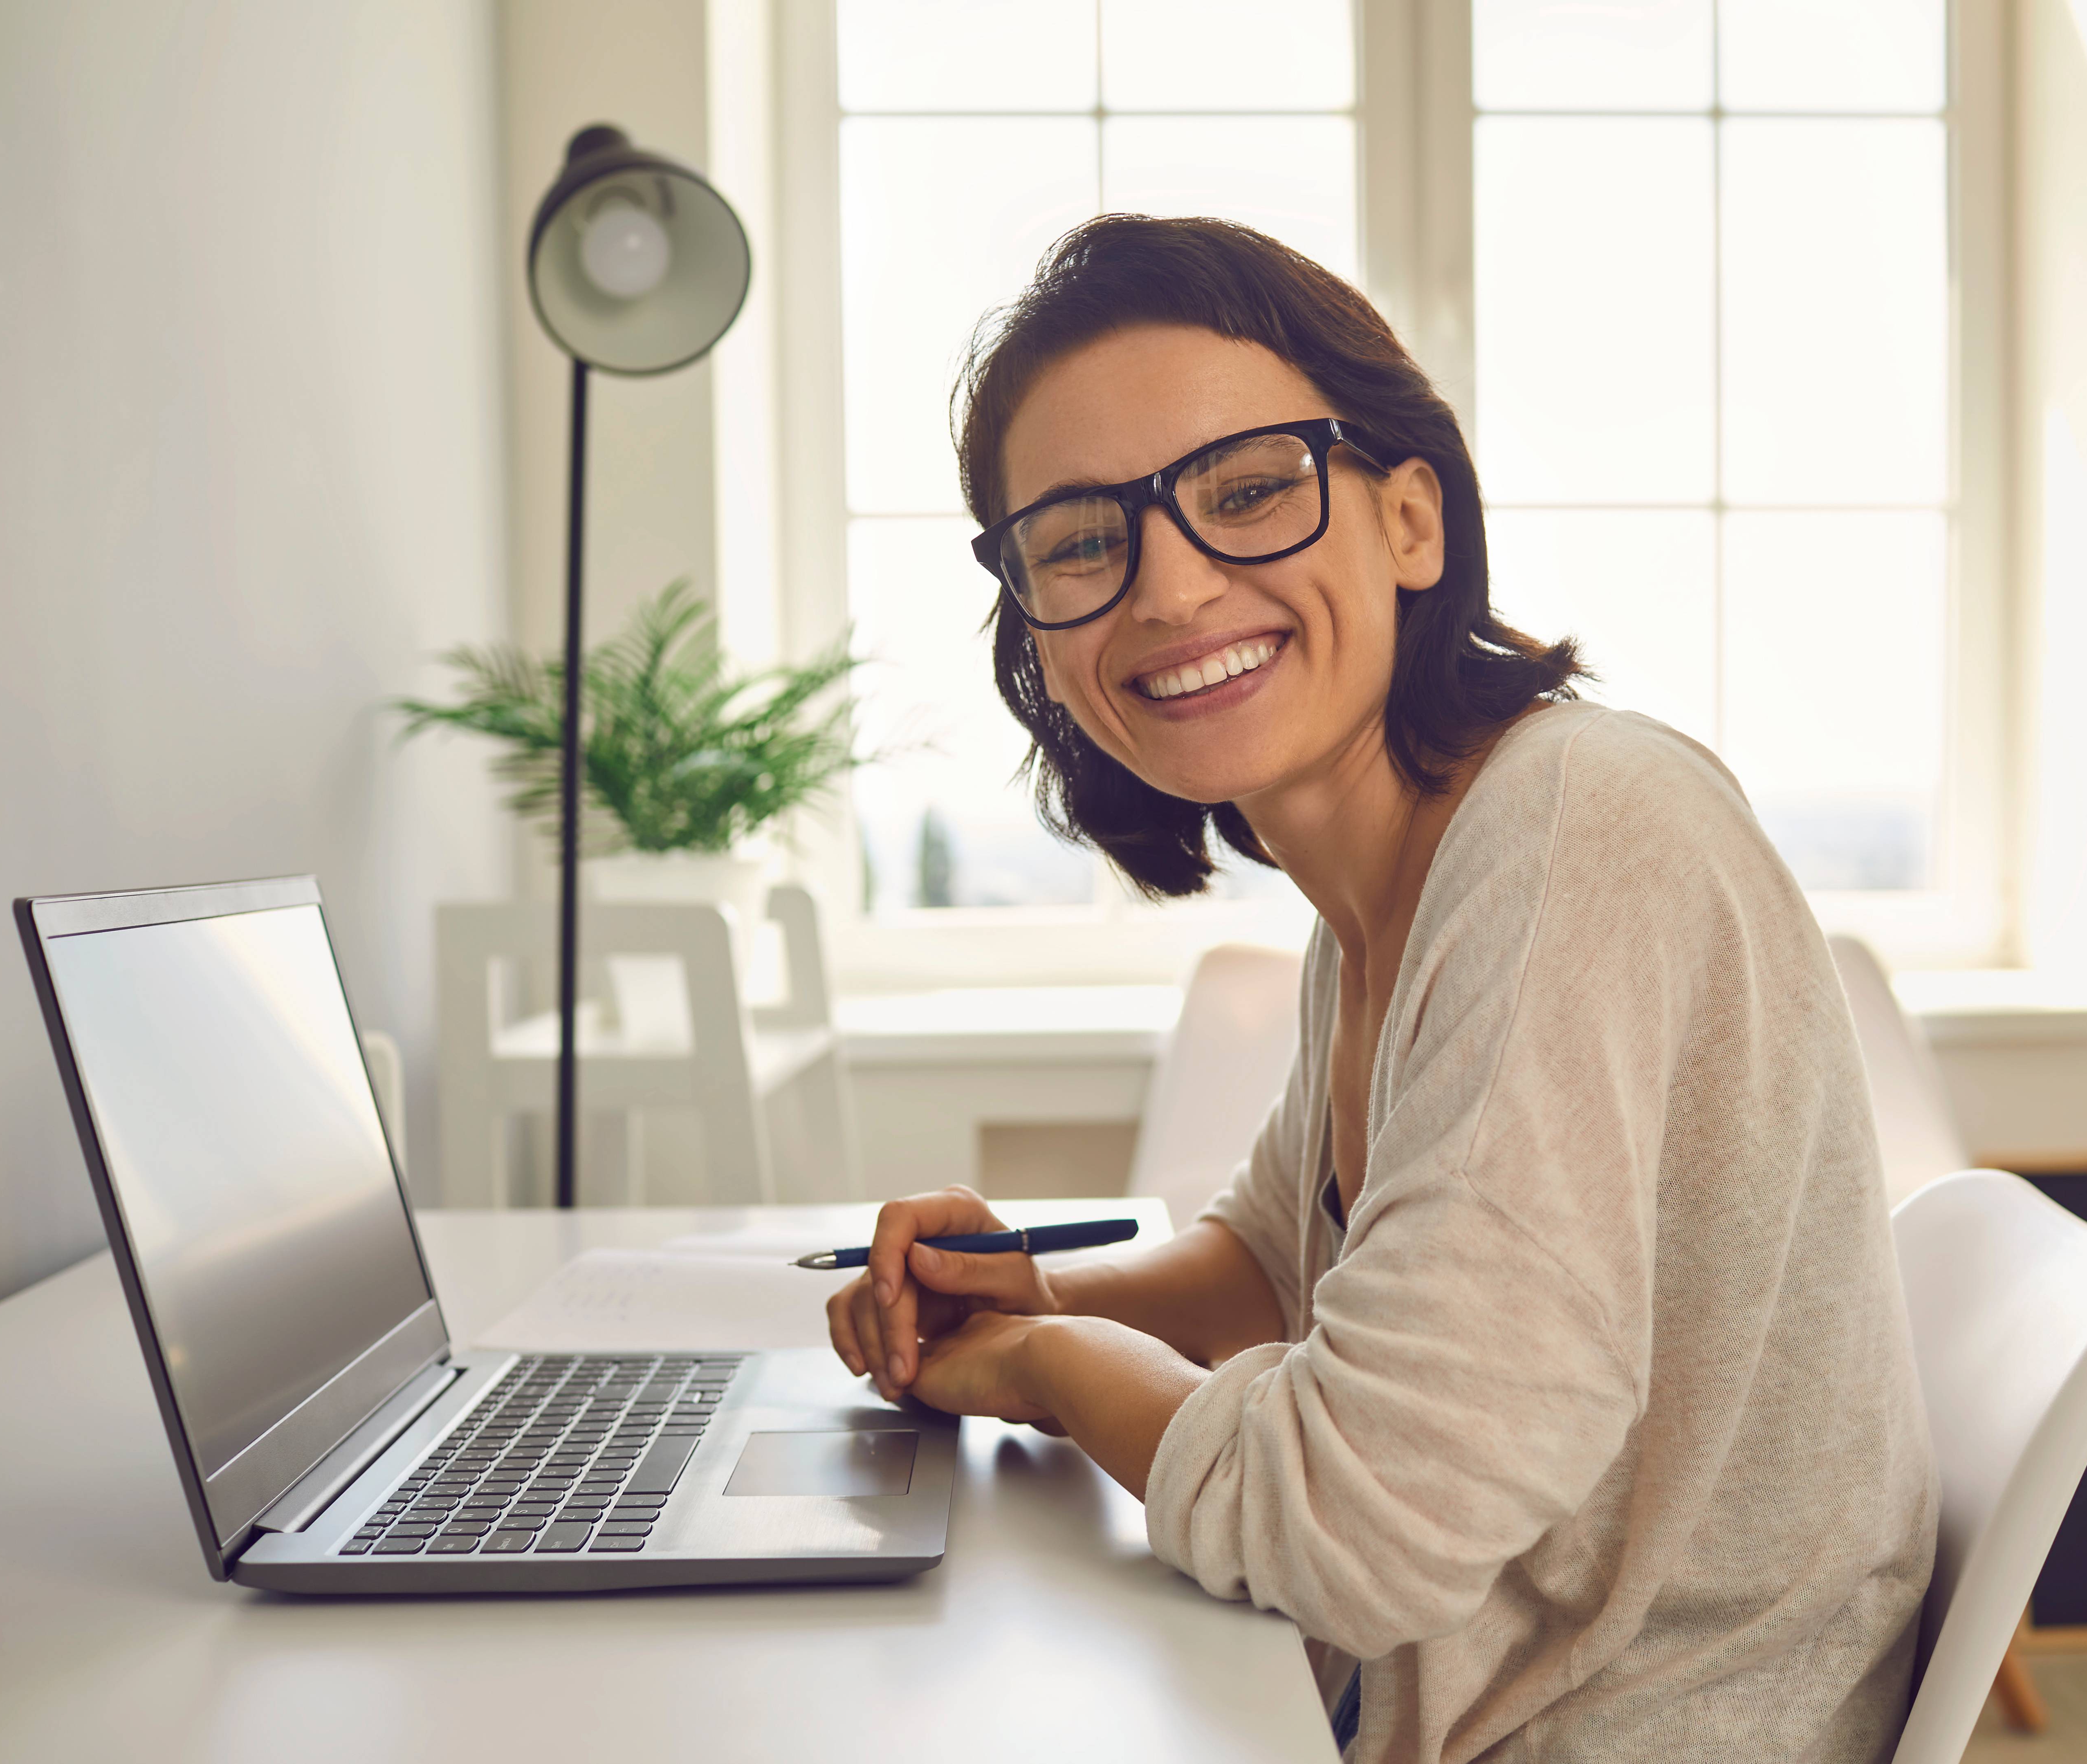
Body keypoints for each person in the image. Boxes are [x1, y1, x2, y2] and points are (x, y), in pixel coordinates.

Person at [826, 215, 1936, 1763]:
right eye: (1082, 539)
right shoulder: (1375, 901)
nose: (1167, 585)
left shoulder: (1578, 834)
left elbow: (1360, 1522)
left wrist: (1039, 1365)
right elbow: (1285, 1271)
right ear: (1037, 624)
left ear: (1410, 518)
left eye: (1248, 490)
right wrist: (1034, 1289)